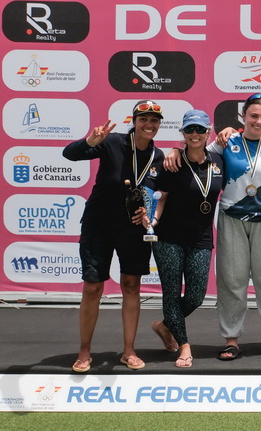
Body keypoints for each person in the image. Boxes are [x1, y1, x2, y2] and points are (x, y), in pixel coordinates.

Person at [63, 100, 165, 372]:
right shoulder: (111, 142)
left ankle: (128, 351)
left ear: (159, 125)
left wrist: (147, 214)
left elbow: (155, 194)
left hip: (133, 229)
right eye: (143, 119)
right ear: (134, 121)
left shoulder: (158, 157)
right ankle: (84, 352)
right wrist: (89, 142)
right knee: (93, 287)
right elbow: (69, 154)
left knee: (131, 286)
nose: (149, 125)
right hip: (99, 225)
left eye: (154, 121)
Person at [208, 94, 261, 360]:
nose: (258, 121)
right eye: (253, 116)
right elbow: (195, 154)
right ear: (243, 116)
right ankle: (231, 339)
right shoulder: (226, 142)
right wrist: (175, 151)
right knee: (231, 281)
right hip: (232, 217)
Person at [148, 110, 224, 368]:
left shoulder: (218, 161)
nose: (195, 134)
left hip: (201, 238)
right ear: (182, 132)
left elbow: (239, 138)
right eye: (189, 129)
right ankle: (184, 345)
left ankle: (164, 325)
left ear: (208, 132)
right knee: (171, 293)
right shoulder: (172, 163)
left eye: (200, 130)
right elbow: (161, 198)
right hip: (168, 237)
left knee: (195, 297)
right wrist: (153, 220)